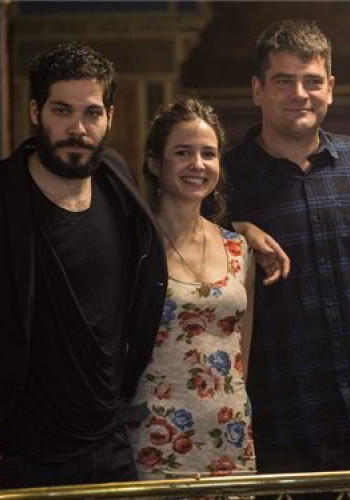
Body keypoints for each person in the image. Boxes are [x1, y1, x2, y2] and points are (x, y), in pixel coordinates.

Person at [0, 41, 168, 489]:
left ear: (110, 116)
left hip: (109, 447)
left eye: (91, 113)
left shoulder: (117, 179)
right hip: (15, 455)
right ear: (36, 111)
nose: (77, 128)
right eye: (61, 110)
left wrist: (241, 230)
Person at [224, 19, 350, 475]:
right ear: (258, 90)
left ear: (331, 89)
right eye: (284, 81)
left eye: (313, 81)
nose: (300, 94)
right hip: (275, 423)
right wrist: (233, 227)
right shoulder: (221, 181)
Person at [127, 96, 257, 479]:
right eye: (183, 152)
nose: (197, 164)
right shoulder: (134, 246)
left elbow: (243, 351)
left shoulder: (239, 247)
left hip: (229, 431)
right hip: (155, 435)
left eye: (208, 154)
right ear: (155, 162)